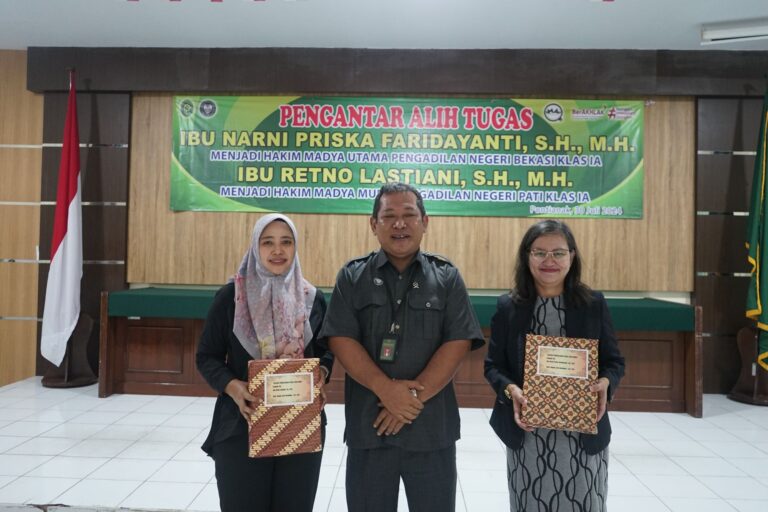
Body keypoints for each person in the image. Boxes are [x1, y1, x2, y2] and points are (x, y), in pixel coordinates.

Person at [319, 182, 485, 512]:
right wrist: (386, 389)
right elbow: (341, 339)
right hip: (370, 427)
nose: (399, 224)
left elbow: (458, 341)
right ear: (373, 224)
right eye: (389, 216)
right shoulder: (352, 276)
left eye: (409, 215)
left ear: (425, 222)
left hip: (431, 430)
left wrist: (408, 400)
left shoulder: (447, 277)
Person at [484, 219, 625, 512]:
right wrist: (511, 391)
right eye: (540, 252)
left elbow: (614, 362)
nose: (549, 261)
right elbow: (493, 367)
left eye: (558, 253)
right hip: (528, 433)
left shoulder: (593, 304)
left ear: (571, 256)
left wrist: (605, 382)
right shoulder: (509, 307)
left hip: (582, 434)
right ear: (527, 256)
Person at [196, 213, 333, 512]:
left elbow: (326, 351)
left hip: (299, 426)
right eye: (268, 242)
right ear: (255, 247)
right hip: (242, 423)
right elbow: (206, 356)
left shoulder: (312, 299)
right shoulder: (231, 297)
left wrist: (321, 373)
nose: (278, 250)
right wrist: (233, 387)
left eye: (286, 242)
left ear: (295, 247)